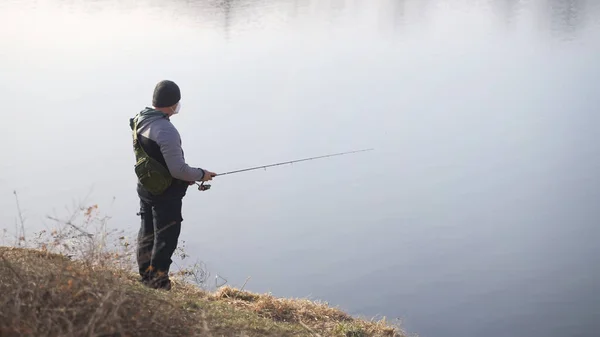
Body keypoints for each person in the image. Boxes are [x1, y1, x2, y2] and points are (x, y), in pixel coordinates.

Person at [129, 80, 216, 290]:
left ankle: (145, 276)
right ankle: (158, 283)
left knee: (147, 231)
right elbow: (178, 170)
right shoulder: (166, 131)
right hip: (165, 194)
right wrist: (201, 174)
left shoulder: (141, 118)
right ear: (172, 105)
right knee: (166, 236)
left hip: (146, 185)